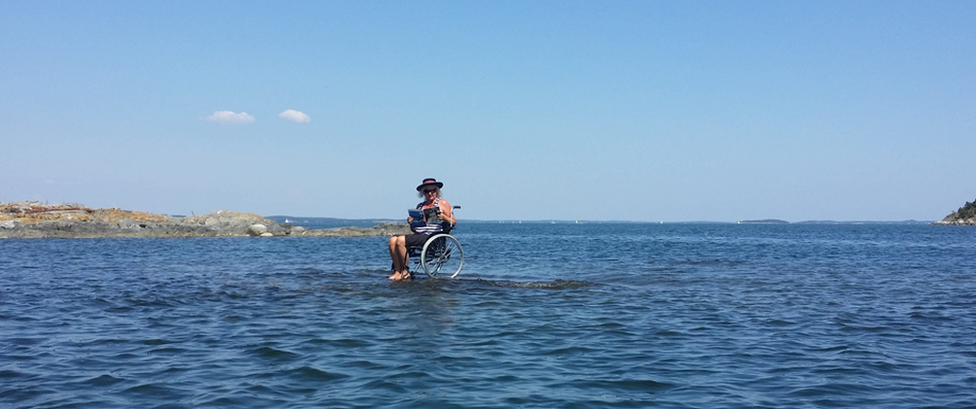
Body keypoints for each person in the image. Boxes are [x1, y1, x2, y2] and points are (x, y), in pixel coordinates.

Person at [388, 178, 456, 281]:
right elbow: (414, 228)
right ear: (423, 193)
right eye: (427, 191)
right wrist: (412, 222)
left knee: (401, 240)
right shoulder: (420, 206)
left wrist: (443, 217)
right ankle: (398, 270)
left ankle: (405, 271)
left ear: (436, 191)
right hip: (420, 234)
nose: (430, 193)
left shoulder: (442, 203)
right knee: (392, 240)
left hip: (433, 237)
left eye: (432, 190)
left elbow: (453, 222)